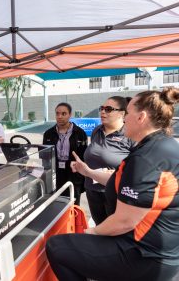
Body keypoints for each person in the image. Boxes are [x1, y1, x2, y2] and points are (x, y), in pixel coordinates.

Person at [46, 88, 179, 281]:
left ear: (141, 117)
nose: (124, 119)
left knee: (57, 246)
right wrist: (88, 172)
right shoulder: (162, 144)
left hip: (145, 254)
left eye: (127, 113)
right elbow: (121, 180)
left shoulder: (146, 157)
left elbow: (124, 222)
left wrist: (90, 232)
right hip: (161, 249)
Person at [84, 96, 135, 224]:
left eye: (108, 109)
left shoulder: (130, 134)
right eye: (101, 108)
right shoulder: (97, 131)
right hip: (93, 191)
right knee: (99, 227)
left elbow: (135, 168)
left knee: (115, 233)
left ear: (122, 113)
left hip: (115, 194)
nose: (102, 112)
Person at [43, 103, 87, 205]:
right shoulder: (48, 134)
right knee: (55, 205)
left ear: (70, 115)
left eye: (64, 114)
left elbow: (84, 156)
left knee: (73, 206)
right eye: (57, 113)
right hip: (55, 174)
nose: (60, 117)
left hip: (73, 174)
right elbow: (44, 156)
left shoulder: (80, 133)